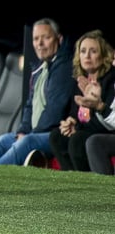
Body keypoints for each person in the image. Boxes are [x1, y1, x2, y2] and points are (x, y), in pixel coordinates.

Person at [0, 18, 73, 166]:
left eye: (46, 38)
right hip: (35, 132)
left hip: (55, 135)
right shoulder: (40, 68)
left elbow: (54, 110)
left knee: (27, 141)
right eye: (36, 39)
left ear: (58, 39)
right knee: (3, 140)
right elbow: (30, 106)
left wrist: (29, 135)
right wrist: (23, 130)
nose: (39, 44)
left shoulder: (64, 68)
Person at [48, 30, 115, 172]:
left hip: (103, 132)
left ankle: (85, 182)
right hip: (85, 130)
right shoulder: (81, 80)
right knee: (56, 136)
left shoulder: (109, 80)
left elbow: (106, 123)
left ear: (103, 56)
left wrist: (77, 128)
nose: (87, 56)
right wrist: (70, 122)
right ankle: (70, 178)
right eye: (83, 51)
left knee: (77, 140)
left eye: (93, 51)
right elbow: (75, 112)